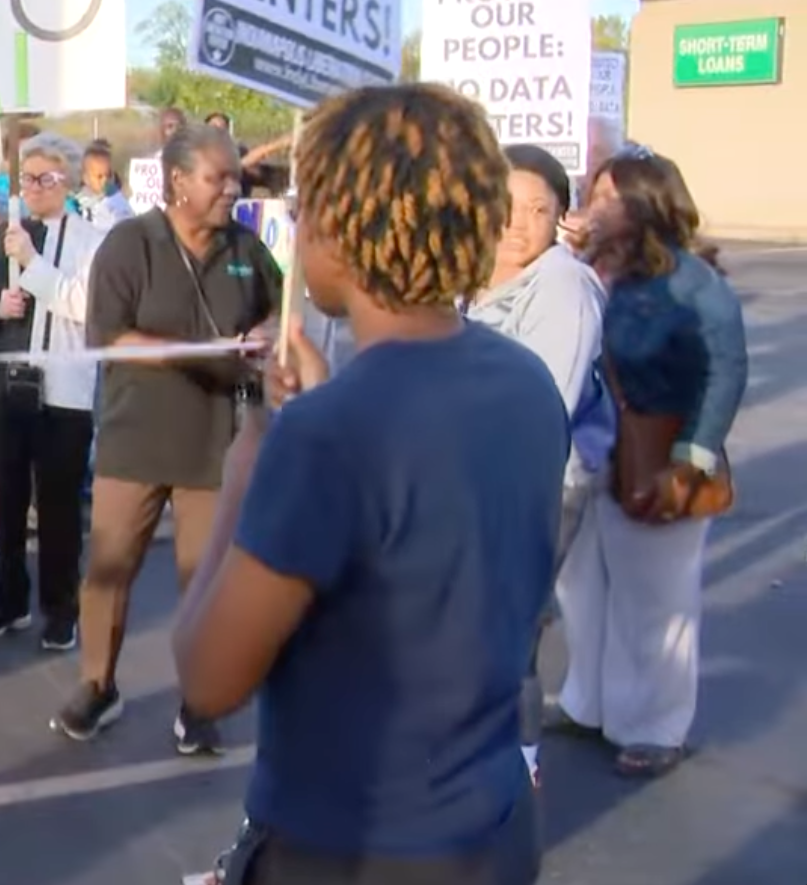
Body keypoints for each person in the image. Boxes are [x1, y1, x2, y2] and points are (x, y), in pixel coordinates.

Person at [173, 84, 566, 885]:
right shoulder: (524, 382)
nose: (298, 229)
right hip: (494, 830)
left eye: (305, 209)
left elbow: (208, 677)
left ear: (344, 230)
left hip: (351, 847)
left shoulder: (326, 436)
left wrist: (245, 474)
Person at [51, 124, 282, 754]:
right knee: (108, 569)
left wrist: (265, 332)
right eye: (218, 177)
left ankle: (200, 700)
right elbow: (109, 334)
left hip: (214, 442)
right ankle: (97, 686)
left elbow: (277, 310)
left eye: (234, 176)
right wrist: (197, 352)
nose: (231, 188)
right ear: (178, 181)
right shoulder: (131, 244)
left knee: (203, 580)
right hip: (134, 437)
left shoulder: (245, 246)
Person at [553, 145, 747, 779]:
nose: (596, 207)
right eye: (595, 193)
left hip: (659, 451)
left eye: (612, 196)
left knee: (655, 598)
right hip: (592, 450)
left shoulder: (692, 281)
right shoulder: (585, 269)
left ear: (649, 204)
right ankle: (590, 703)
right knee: (583, 587)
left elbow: (725, 370)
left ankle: (657, 726)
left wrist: (690, 459)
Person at [466, 143, 609, 790]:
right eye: (507, 204)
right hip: (485, 477)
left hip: (540, 481)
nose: (518, 222)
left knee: (507, 627)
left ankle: (517, 769)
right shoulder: (482, 276)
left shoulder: (561, 284)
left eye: (538, 208)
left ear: (561, 216)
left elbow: (547, 403)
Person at [0, 132, 104, 650]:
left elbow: (84, 306)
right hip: (5, 385)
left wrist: (35, 264)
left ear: (67, 182)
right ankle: (8, 599)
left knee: (61, 506)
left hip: (64, 390)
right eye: (28, 179)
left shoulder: (92, 240)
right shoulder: (3, 235)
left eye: (46, 179)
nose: (35, 188)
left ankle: (60, 609)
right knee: (9, 495)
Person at [75, 142, 134, 230]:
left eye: (108, 175)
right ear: (86, 178)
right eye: (99, 177)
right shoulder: (76, 204)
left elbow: (128, 224)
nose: (104, 181)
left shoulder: (117, 201)